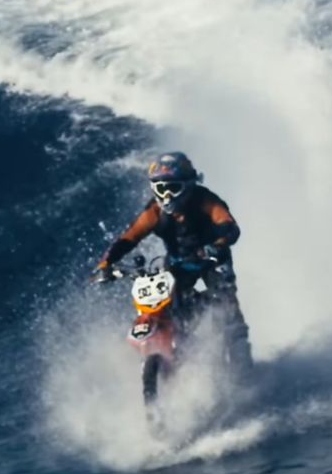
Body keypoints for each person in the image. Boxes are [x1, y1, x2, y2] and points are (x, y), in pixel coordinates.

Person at [94, 151, 252, 369]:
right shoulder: (154, 212)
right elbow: (129, 237)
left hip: (212, 261)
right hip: (177, 263)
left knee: (228, 310)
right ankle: (170, 356)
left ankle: (243, 366)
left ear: (188, 186)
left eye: (173, 188)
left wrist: (217, 246)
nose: (166, 196)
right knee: (163, 308)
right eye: (160, 189)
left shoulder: (205, 201)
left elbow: (230, 227)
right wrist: (106, 263)